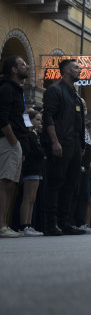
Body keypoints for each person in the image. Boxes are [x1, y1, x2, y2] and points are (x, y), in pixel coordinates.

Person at [41, 58, 87, 236]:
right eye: (76, 67)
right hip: (61, 142)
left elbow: (79, 122)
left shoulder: (75, 94)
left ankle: (65, 222)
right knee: (55, 183)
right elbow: (48, 117)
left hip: (75, 145)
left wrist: (81, 144)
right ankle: (51, 224)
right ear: (66, 71)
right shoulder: (55, 90)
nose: (79, 70)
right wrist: (54, 141)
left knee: (71, 184)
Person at [0, 56, 31, 237]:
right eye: (22, 65)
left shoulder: (15, 89)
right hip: (7, 141)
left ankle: (4, 223)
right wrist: (13, 141)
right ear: (13, 69)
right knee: (5, 183)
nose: (26, 67)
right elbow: (3, 117)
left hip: (14, 142)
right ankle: (1, 225)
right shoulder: (6, 88)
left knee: (10, 184)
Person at [19, 108, 45, 236]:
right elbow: (36, 151)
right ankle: (24, 225)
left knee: (32, 198)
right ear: (30, 120)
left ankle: (29, 224)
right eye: (37, 119)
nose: (40, 122)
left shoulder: (36, 134)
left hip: (38, 168)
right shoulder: (28, 134)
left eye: (41, 120)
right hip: (31, 167)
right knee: (27, 197)